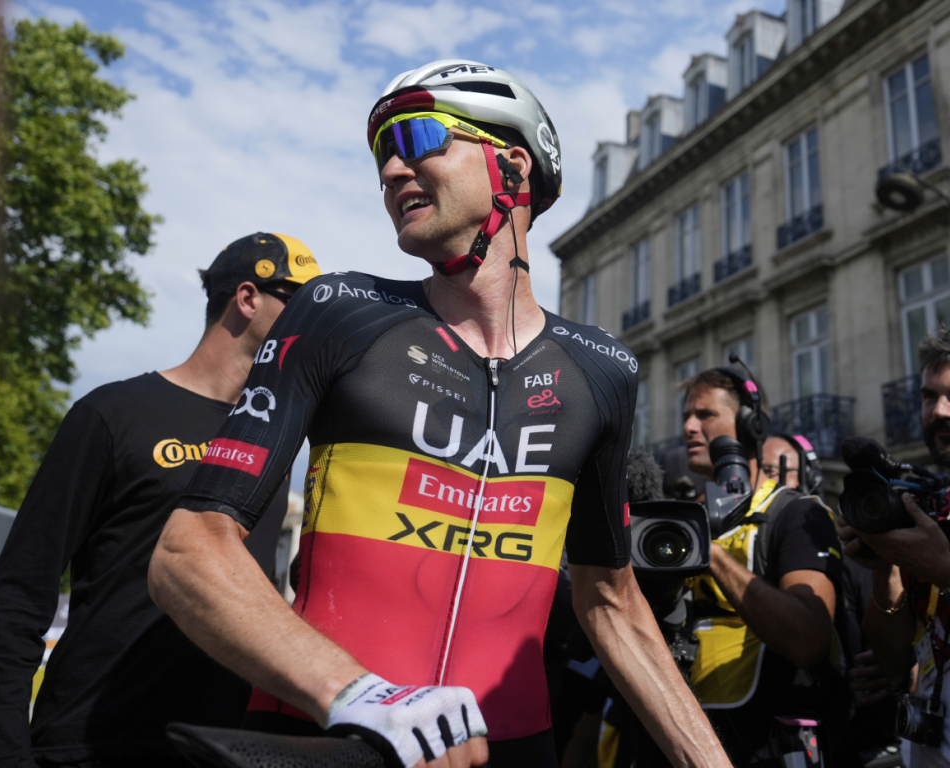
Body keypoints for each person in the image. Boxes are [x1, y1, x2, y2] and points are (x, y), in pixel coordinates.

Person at [148, 60, 732, 768]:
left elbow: (609, 600)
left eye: (419, 137)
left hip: (514, 752)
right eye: (381, 155)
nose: (393, 169)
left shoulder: (603, 370)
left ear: (513, 164)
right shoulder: (341, 313)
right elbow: (188, 551)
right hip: (333, 737)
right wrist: (360, 695)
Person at [0, 233, 322, 768]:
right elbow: (17, 599)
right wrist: (2, 758)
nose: (312, 324)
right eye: (298, 303)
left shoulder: (276, 442)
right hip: (91, 745)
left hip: (219, 751)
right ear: (248, 299)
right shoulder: (114, 413)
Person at [681, 368, 846, 763]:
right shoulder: (677, 521)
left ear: (750, 424)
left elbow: (808, 641)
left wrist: (713, 556)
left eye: (705, 415)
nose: (689, 427)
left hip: (767, 746)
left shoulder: (797, 513)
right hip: (682, 739)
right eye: (686, 416)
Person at [840, 326, 950, 767]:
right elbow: (891, 664)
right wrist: (884, 563)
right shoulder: (932, 506)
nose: (939, 411)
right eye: (929, 396)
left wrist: (945, 569)